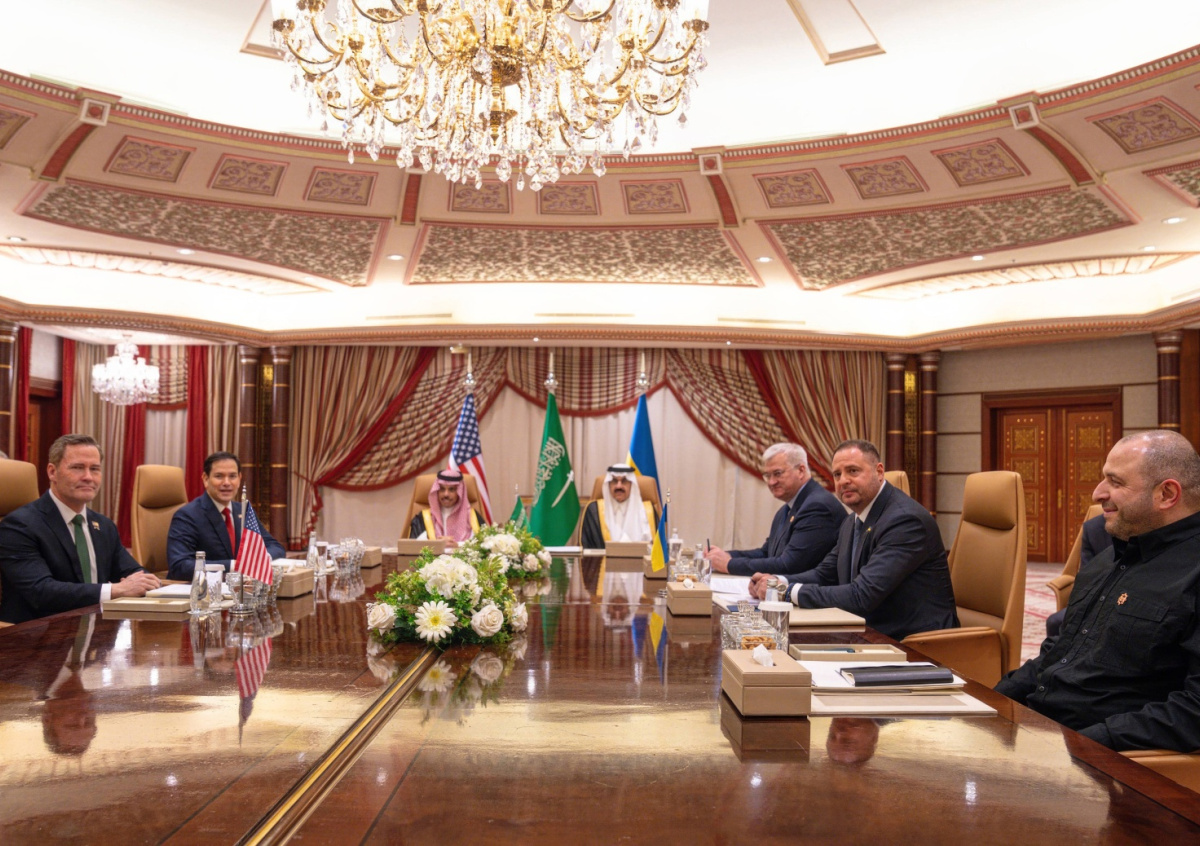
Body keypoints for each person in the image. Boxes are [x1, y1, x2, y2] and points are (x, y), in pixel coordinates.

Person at [995, 430, 1200, 752]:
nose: (1097, 493)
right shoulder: (1109, 559)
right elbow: (1060, 653)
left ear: (1166, 494)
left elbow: (1193, 711)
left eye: (1115, 482)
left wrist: (1080, 746)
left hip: (1104, 758)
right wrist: (991, 701)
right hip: (1041, 733)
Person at [750, 439, 958, 641]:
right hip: (866, 633)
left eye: (853, 471)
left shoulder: (905, 521)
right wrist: (778, 582)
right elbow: (825, 574)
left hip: (912, 644)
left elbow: (861, 596)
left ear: (879, 472)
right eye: (837, 474)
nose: (843, 480)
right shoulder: (852, 521)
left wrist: (786, 592)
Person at [0, 434, 159, 624]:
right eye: (77, 468)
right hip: (36, 633)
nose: (88, 477)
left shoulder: (104, 525)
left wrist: (146, 582)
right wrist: (116, 590)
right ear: (52, 472)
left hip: (97, 629)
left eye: (95, 469)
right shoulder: (19, 526)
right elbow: (41, 591)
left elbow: (133, 572)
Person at [707, 443, 845, 576]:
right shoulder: (786, 510)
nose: (771, 482)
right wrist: (726, 556)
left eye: (778, 473)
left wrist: (729, 564)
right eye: (767, 475)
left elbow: (789, 565)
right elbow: (766, 553)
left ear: (801, 470)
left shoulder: (817, 506)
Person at [167, 451, 286, 581]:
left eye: (232, 476)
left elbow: (276, 547)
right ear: (205, 479)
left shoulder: (244, 511)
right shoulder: (187, 516)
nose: (227, 482)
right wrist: (235, 565)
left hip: (241, 587)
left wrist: (261, 558)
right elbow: (180, 566)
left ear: (239, 479)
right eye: (219, 476)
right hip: (202, 589)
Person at [1045, 513, 1111, 637]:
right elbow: (1087, 577)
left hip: (1134, 603)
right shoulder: (1093, 528)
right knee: (1055, 622)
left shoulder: (1146, 524)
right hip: (1098, 600)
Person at [580, 464, 655, 549]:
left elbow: (657, 548)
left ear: (631, 484)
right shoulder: (594, 511)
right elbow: (586, 548)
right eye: (614, 481)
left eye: (624, 481)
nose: (619, 486)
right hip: (603, 558)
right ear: (608, 484)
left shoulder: (648, 511)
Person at [410, 469, 481, 543]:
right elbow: (413, 546)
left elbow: (482, 545)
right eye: (442, 489)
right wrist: (437, 544)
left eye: (451, 489)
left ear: (459, 492)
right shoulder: (423, 518)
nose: (446, 494)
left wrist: (457, 545)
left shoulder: (473, 517)